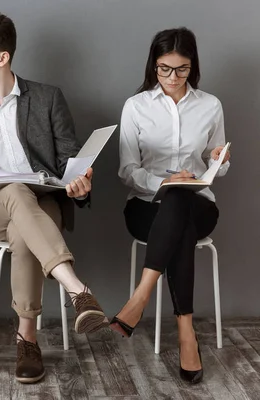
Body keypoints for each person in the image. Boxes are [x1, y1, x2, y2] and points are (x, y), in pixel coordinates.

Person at [0, 12, 108, 384]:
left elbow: (70, 159)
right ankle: (76, 289)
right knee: (15, 193)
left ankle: (27, 341)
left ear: (2, 58)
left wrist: (81, 181)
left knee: (24, 227)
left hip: (42, 202)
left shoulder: (48, 98)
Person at [112, 27, 231, 384]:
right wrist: (163, 182)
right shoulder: (136, 106)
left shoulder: (210, 105)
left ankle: (140, 296)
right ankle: (186, 335)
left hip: (200, 206)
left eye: (181, 69)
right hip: (146, 207)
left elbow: (219, 167)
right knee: (176, 201)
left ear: (192, 66)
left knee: (182, 197)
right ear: (154, 65)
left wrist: (216, 158)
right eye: (165, 68)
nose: (173, 77)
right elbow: (127, 171)